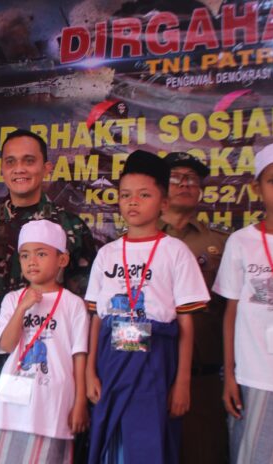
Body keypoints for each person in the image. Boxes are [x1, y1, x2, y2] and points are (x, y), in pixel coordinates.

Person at [0, 128, 97, 460]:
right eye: (11, 162)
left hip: (49, 366)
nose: (19, 169)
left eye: (29, 160)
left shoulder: (70, 227)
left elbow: (86, 304)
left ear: (46, 168)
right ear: (2, 168)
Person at [84, 150, 210, 463]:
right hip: (111, 361)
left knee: (149, 441)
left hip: (156, 363)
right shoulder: (107, 254)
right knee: (110, 439)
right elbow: (96, 318)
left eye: (144, 195)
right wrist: (89, 372)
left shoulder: (175, 252)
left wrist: (182, 382)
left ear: (163, 203)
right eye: (125, 195)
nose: (133, 202)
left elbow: (186, 322)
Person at [0, 220, 89, 463]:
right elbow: (6, 345)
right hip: (14, 401)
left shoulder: (73, 304)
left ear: (62, 259)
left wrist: (80, 402)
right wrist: (22, 308)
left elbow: (79, 356)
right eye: (25, 255)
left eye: (41, 254)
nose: (32, 261)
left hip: (54, 400)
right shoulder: (13, 300)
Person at [159, 151, 230, 463]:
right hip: (151, 374)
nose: (185, 184)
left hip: (204, 378)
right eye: (176, 177)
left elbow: (232, 312)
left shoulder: (221, 244)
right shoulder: (137, 240)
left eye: (192, 179)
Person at [213, 143, 273, 464]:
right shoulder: (241, 242)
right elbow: (231, 313)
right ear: (256, 188)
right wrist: (230, 376)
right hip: (253, 375)